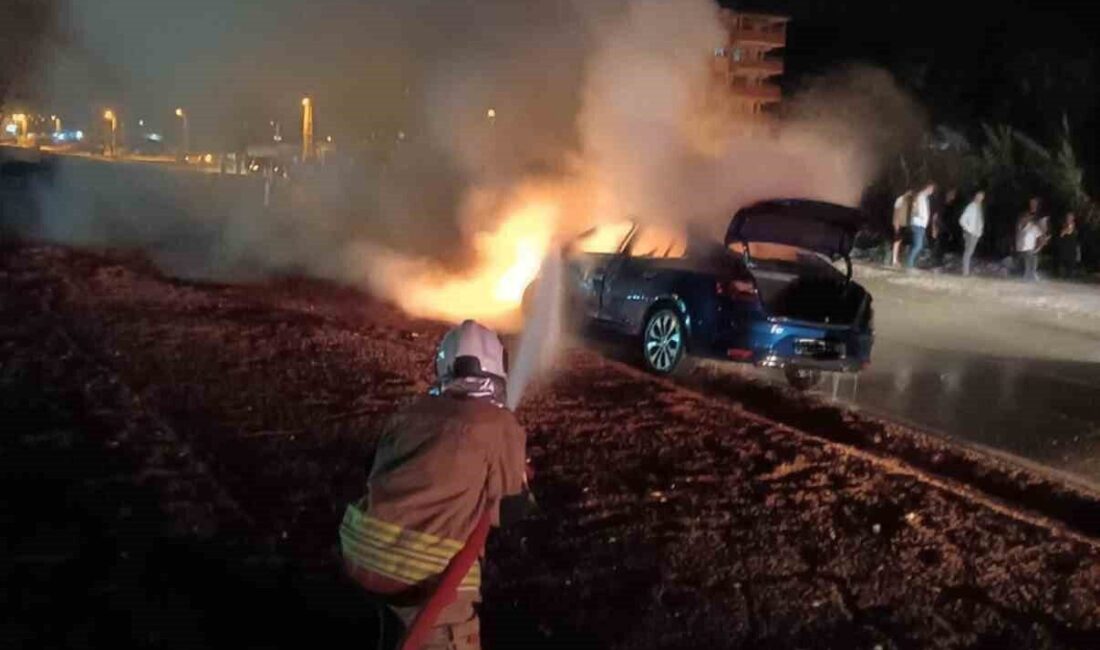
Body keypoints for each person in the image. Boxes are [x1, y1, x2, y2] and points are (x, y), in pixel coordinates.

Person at [340, 320, 531, 650]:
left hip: (360, 550)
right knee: (448, 632)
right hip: (425, 577)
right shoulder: (501, 423)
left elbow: (376, 468)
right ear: (499, 367)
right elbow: (511, 508)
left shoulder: (411, 411)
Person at [906, 182, 935, 269]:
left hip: (922, 224)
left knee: (919, 245)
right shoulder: (920, 196)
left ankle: (911, 262)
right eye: (931, 189)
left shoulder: (926, 198)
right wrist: (919, 215)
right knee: (918, 245)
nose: (932, 191)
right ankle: (909, 264)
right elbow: (915, 209)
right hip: (917, 223)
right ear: (927, 188)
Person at [958, 190, 985, 276]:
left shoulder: (979, 208)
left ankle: (966, 270)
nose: (980, 198)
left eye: (981, 197)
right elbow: (962, 220)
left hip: (976, 233)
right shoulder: (971, 207)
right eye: (978, 196)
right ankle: (965, 272)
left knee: (970, 252)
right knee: (968, 252)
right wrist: (969, 229)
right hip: (970, 233)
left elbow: (980, 221)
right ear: (975, 196)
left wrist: (979, 231)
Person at [1016, 213, 1044, 281]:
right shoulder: (1019, 226)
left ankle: (1030, 275)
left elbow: (1041, 239)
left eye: (1026, 218)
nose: (1023, 220)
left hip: (1029, 250)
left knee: (1030, 258)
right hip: (1019, 250)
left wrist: (1038, 249)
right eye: (1022, 218)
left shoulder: (1033, 227)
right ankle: (1027, 274)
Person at [1054, 212, 1082, 278]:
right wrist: (1065, 231)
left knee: (1071, 265)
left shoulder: (1076, 226)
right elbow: (1060, 236)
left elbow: (1078, 236)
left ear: (1073, 218)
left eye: (1070, 217)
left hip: (1072, 248)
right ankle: (1062, 275)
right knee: (1062, 265)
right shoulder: (1063, 226)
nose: (1069, 219)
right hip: (1064, 248)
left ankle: (1070, 276)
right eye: (1068, 217)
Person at [889, 189, 912, 266]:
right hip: (899, 223)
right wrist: (896, 223)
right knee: (897, 241)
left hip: (904, 223)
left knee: (899, 241)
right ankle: (894, 260)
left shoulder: (908, 201)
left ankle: (896, 259)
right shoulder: (900, 199)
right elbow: (896, 212)